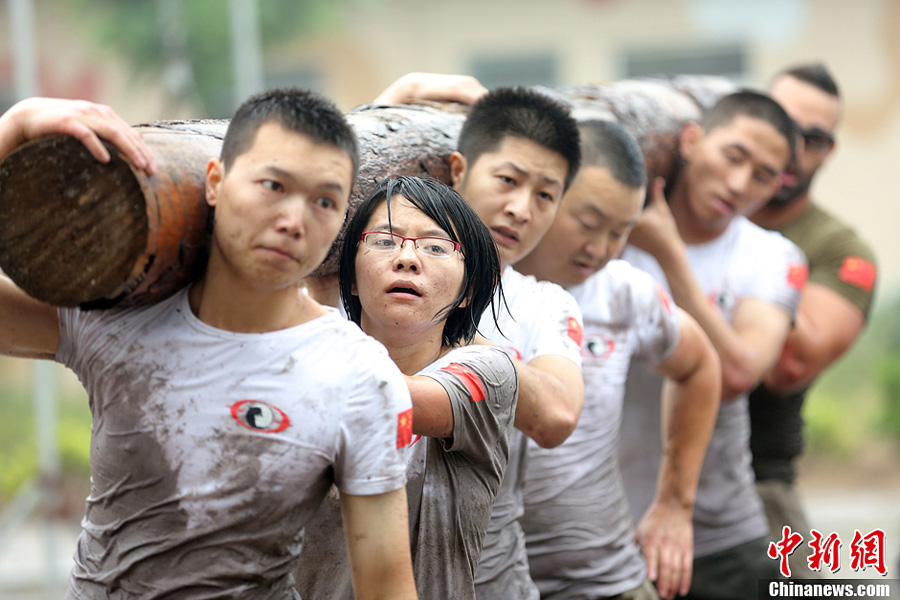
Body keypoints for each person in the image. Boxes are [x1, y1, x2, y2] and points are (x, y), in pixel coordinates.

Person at [0, 90, 419, 599]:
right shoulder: (120, 321)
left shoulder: (358, 376)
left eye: (324, 201)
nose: (294, 220)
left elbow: (386, 588)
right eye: (273, 185)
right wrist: (16, 126)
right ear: (216, 183)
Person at [377, 75, 587, 599]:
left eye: (546, 194)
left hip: (491, 582)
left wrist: (462, 348)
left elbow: (558, 414)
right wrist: (393, 99)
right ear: (458, 170)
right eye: (508, 180)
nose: (522, 208)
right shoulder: (377, 269)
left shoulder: (545, 303)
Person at [513, 119, 721, 600]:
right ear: (547, 194)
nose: (600, 249)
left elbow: (699, 366)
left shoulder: (623, 293)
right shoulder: (463, 285)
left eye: (620, 232)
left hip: (608, 582)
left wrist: (675, 502)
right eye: (587, 224)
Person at [618, 91, 808, 599]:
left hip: (720, 537)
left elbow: (738, 373)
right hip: (606, 534)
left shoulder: (771, 257)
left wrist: (669, 255)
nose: (740, 183)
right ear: (692, 140)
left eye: (763, 176)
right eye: (734, 156)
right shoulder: (608, 238)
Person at [295, 175, 519, 600]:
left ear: (469, 290)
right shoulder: (310, 363)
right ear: (353, 279)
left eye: (436, 247)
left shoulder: (490, 373)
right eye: (383, 241)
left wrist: (277, 286)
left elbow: (384, 397)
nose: (407, 259)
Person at [748, 63, 878, 578]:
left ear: (829, 152)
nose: (794, 147)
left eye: (815, 138)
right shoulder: (686, 209)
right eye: (783, 124)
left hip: (759, 480)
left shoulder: (839, 249)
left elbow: (791, 363)